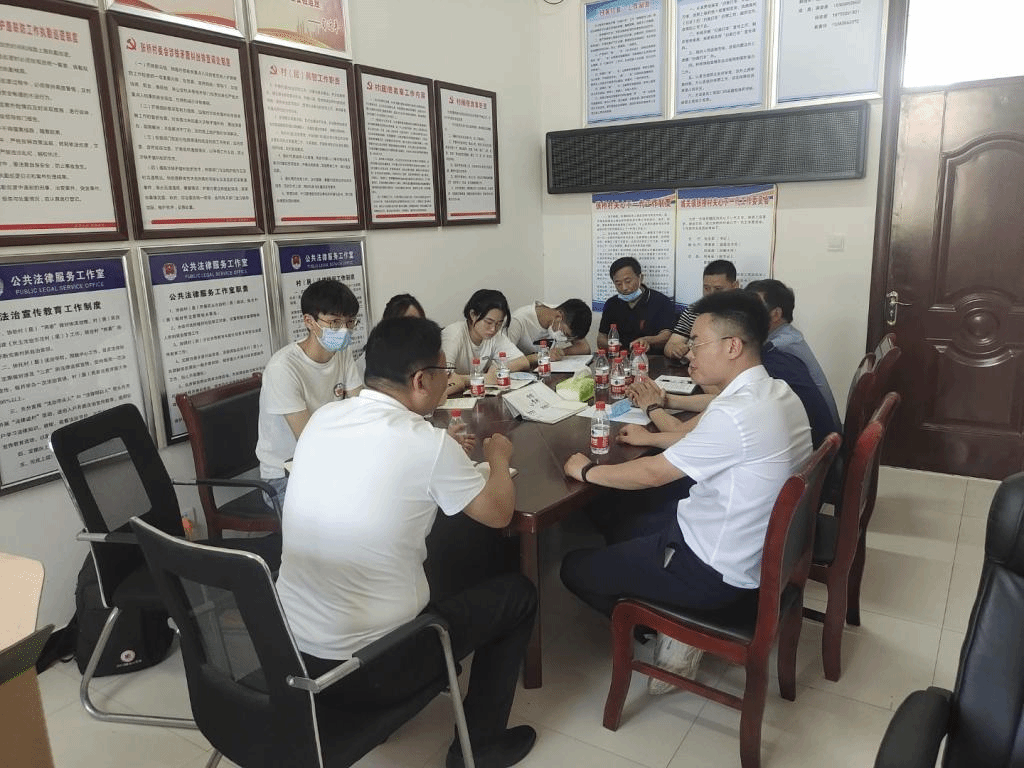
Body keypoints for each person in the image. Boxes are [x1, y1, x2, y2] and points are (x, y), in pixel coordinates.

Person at [276, 316, 538, 768]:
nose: (446, 382)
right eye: (443, 373)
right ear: (420, 380)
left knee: (440, 548)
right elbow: (498, 513)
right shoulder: (427, 444)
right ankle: (480, 748)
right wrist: (498, 458)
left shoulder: (325, 418)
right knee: (518, 594)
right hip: (370, 668)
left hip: (289, 654)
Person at [561, 290, 812, 693]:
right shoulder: (777, 391)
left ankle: (676, 629)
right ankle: (657, 596)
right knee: (619, 517)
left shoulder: (735, 413)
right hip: (750, 548)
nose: (689, 352)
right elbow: (687, 446)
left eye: (697, 342)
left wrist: (587, 470)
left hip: (713, 571)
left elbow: (653, 474)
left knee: (574, 567)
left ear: (732, 346)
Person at [256, 278, 362, 502]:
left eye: (350, 322)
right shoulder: (283, 368)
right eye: (334, 322)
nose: (344, 330)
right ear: (309, 322)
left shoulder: (342, 352)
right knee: (349, 508)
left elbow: (361, 408)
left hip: (332, 462)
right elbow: (308, 439)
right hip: (285, 476)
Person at [746, 278, 842, 429]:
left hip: (819, 438)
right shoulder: (788, 336)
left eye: (753, 308)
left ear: (776, 314)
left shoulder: (778, 348)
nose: (744, 314)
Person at [441, 289, 530, 395]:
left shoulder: (494, 335)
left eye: (499, 323)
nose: (493, 329)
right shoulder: (453, 334)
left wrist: (497, 370)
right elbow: (443, 380)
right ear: (473, 315)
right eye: (488, 322)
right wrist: (484, 378)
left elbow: (523, 362)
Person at [596, 256, 676, 353]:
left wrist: (647, 340)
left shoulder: (661, 301)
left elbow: (667, 335)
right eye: (618, 284)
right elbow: (601, 338)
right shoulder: (611, 304)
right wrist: (613, 346)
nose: (624, 288)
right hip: (621, 356)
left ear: (640, 278)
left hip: (652, 357)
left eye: (628, 281)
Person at [664, 259, 740, 359]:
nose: (711, 294)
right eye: (706, 288)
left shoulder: (744, 312)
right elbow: (670, 346)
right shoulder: (693, 310)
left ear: (735, 286)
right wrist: (676, 350)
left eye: (718, 289)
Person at [506, 299, 592, 364]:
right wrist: (543, 356)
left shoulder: (567, 315)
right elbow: (505, 360)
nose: (565, 339)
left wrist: (561, 352)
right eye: (564, 333)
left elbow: (584, 348)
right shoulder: (518, 321)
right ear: (558, 316)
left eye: (568, 338)